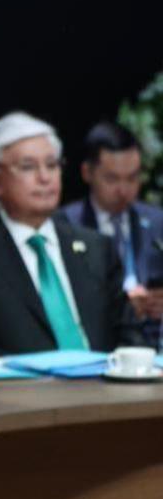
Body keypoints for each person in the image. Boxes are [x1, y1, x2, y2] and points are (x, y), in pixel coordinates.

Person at [0, 112, 138, 359]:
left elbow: (130, 335)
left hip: (102, 381)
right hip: (20, 383)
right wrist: (26, 372)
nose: (44, 178)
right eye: (28, 167)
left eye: (52, 165)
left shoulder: (96, 248)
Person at [61, 121, 163, 346]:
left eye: (132, 178)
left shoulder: (157, 221)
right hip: (101, 343)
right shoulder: (66, 225)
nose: (123, 190)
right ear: (87, 173)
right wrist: (122, 307)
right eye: (112, 179)